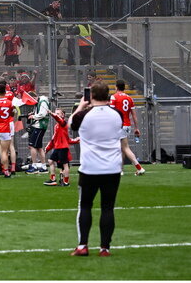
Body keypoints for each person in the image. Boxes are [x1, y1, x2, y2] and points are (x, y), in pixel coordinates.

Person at [71, 81, 125, 257]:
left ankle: (83, 245)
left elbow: (71, 124)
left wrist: (81, 106)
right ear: (108, 95)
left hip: (90, 168)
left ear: (91, 96)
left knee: (85, 206)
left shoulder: (84, 115)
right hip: (112, 167)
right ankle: (104, 248)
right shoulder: (116, 114)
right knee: (107, 208)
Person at [109, 80, 146, 175]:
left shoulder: (114, 97)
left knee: (124, 148)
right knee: (122, 148)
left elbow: (111, 112)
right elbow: (134, 115)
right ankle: (120, 170)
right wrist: (136, 128)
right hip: (127, 125)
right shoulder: (129, 98)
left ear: (116, 87)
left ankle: (139, 167)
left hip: (118, 125)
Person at [43, 109, 77, 187]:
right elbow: (54, 139)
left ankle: (66, 182)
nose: (56, 114)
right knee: (50, 161)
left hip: (63, 147)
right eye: (56, 113)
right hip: (58, 147)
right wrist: (47, 149)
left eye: (58, 113)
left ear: (62, 115)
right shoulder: (57, 126)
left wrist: (52, 113)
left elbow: (58, 119)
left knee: (65, 164)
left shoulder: (63, 123)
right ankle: (53, 180)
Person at [26, 92, 51, 173]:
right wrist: (33, 113)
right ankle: (44, 167)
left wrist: (33, 116)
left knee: (32, 146)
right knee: (39, 147)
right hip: (38, 126)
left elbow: (42, 114)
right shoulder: (39, 101)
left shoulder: (43, 101)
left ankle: (34, 165)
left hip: (39, 126)